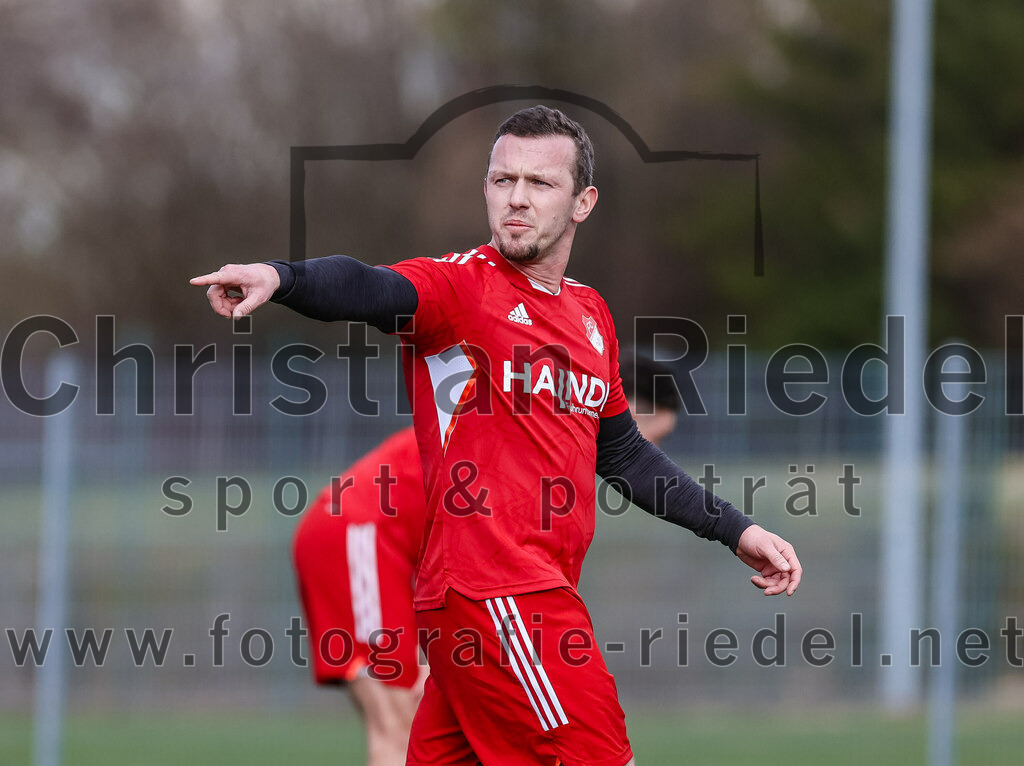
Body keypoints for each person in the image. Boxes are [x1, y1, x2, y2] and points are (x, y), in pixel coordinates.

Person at [192, 105, 801, 766]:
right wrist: (283, 278)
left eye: (540, 183)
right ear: (485, 189)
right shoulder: (461, 289)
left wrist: (736, 530)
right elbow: (367, 287)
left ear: (582, 202)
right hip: (500, 594)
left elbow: (622, 453)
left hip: (504, 598)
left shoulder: (590, 315)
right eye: (502, 179)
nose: (517, 197)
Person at [292, 427, 427, 766]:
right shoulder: (496, 420)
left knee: (414, 719)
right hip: (358, 534)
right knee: (398, 727)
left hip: (365, 537)